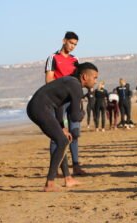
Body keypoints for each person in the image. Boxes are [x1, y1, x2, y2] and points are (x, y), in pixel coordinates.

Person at [27, 62, 98, 192]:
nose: (95, 81)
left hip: (38, 107)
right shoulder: (76, 86)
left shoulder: (71, 82)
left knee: (63, 139)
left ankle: (68, 179)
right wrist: (83, 112)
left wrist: (61, 127)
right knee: (62, 141)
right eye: (94, 77)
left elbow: (59, 105)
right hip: (40, 108)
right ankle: (50, 183)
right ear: (84, 77)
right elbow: (75, 116)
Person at [45, 31, 84, 175]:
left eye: (75, 44)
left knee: (74, 132)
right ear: (64, 41)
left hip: (73, 101)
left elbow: (78, 80)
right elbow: (49, 80)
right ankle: (55, 170)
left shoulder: (75, 59)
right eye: (71, 43)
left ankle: (76, 166)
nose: (73, 46)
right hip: (59, 102)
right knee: (58, 135)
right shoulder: (53, 58)